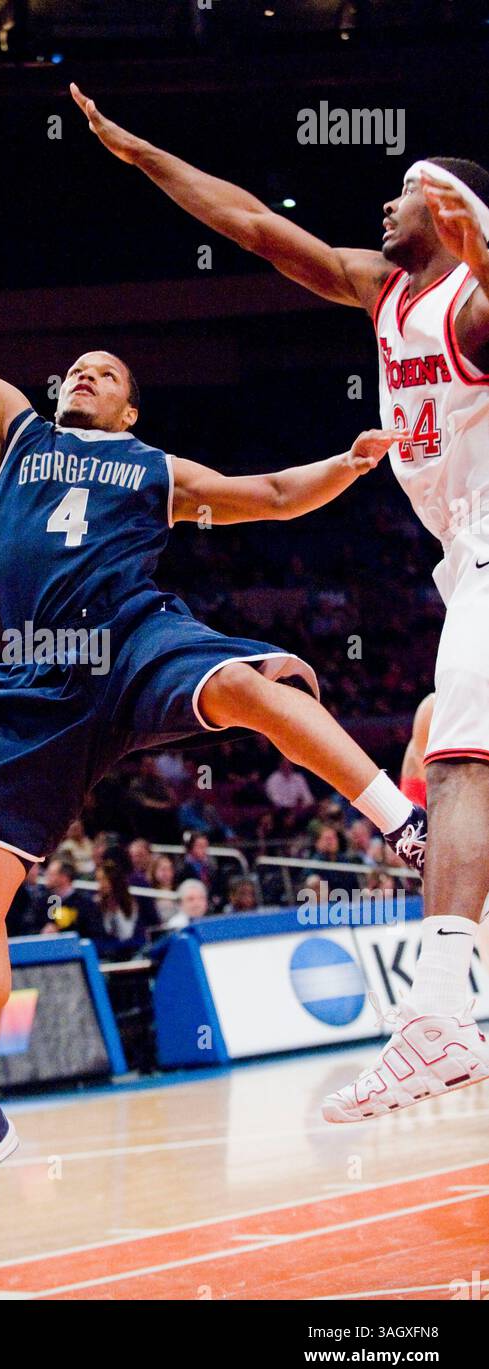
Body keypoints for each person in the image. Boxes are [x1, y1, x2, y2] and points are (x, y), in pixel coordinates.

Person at [0, 124, 426, 1208]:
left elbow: (264, 497)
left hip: (135, 637)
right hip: (38, 682)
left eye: (105, 373)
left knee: (250, 690)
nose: (83, 374)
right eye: (76, 366)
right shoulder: (7, 436)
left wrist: (348, 466)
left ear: (128, 409)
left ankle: (398, 824)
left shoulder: (151, 466)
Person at [72, 85, 489, 1119]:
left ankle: (435, 1021)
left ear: (448, 219)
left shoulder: (467, 307)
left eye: (405, 195)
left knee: (457, 764)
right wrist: (141, 156)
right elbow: (253, 225)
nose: (382, 208)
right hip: (461, 559)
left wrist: (484, 249)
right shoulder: (377, 291)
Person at [34, 857, 104, 939]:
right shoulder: (41, 902)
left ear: (64, 877)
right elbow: (29, 926)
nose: (46, 876)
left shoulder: (85, 905)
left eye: (51, 874)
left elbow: (95, 934)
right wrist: (41, 932)